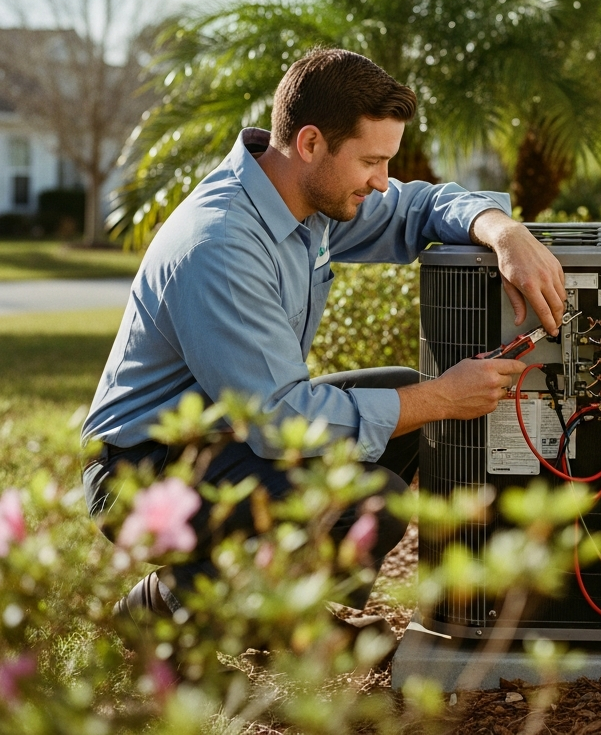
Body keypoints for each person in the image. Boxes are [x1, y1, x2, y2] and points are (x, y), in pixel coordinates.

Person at [82, 48, 566, 626]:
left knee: (404, 396)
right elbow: (282, 420)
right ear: (310, 143)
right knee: (372, 495)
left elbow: (420, 207)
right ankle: (176, 612)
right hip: (142, 475)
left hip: (222, 435)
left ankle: (269, 608)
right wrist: (443, 398)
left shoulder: (305, 198)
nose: (382, 181)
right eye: (372, 161)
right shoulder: (220, 246)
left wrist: (502, 229)